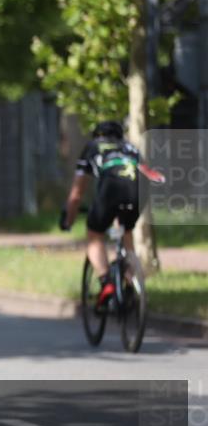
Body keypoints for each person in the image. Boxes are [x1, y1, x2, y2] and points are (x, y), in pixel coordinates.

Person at [60, 120, 142, 311]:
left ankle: (107, 284)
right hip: (137, 193)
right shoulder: (130, 147)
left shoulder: (92, 147)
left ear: (97, 135)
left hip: (110, 191)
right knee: (125, 232)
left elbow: (77, 194)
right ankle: (131, 283)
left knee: (94, 235)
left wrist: (68, 220)